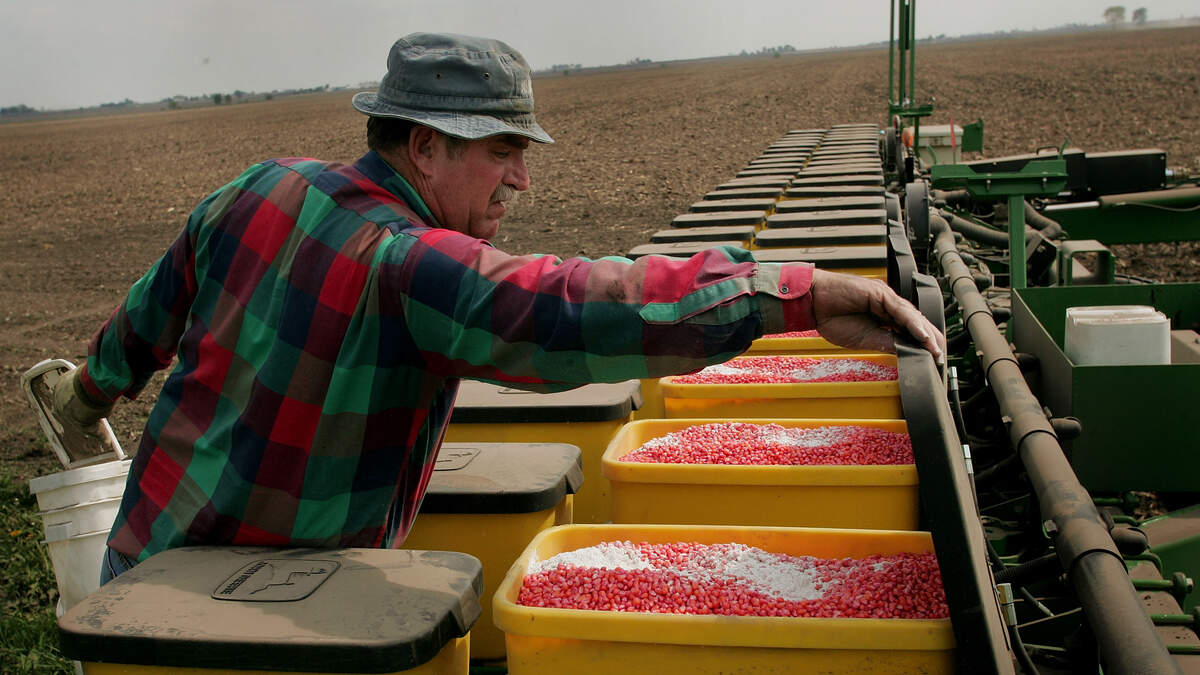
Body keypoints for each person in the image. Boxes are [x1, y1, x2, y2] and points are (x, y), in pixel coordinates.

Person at [52, 32, 944, 584]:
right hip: (258, 610)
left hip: (140, 572)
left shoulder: (258, 186)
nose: (521, 175)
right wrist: (794, 293)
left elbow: (144, 319)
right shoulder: (411, 267)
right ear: (426, 145)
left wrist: (88, 395)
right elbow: (570, 310)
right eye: (504, 150)